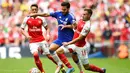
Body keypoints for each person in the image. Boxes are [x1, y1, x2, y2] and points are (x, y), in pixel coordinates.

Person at [30, 2, 76, 73]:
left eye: (64, 9)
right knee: (51, 50)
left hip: (69, 40)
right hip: (60, 39)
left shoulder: (71, 16)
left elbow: (75, 26)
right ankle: (60, 64)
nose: (63, 11)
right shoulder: (58, 13)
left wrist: (67, 26)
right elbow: (46, 14)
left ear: (68, 9)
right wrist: (36, 14)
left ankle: (70, 67)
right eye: (62, 9)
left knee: (61, 52)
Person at [56, 8, 106, 73]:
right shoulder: (81, 19)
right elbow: (75, 27)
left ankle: (101, 71)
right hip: (73, 45)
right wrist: (66, 26)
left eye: (85, 14)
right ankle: (73, 69)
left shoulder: (87, 26)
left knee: (87, 67)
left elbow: (79, 38)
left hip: (81, 47)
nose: (83, 15)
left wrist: (68, 43)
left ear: (89, 15)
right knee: (59, 51)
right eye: (83, 14)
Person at [20, 4, 60, 73]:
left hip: (42, 40)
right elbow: (22, 29)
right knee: (35, 55)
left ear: (37, 10)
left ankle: (59, 65)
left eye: (35, 9)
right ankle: (42, 71)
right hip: (33, 41)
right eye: (33, 10)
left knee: (49, 56)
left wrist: (47, 35)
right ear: (30, 10)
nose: (34, 11)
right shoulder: (27, 18)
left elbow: (47, 28)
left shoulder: (42, 18)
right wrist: (27, 36)